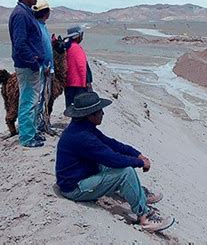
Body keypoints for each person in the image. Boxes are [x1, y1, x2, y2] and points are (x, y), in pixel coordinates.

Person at [56, 92, 175, 232]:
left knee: (111, 163)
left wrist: (138, 154)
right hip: (75, 188)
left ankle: (139, 195)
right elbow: (113, 159)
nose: (103, 114)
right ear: (90, 115)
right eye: (100, 111)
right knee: (125, 172)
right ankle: (144, 216)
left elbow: (111, 144)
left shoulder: (82, 128)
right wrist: (140, 163)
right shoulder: (82, 137)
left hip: (82, 175)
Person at [8, 0, 45, 147]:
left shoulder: (26, 12)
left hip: (30, 65)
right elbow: (20, 44)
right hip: (27, 66)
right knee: (28, 102)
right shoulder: (20, 15)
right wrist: (33, 61)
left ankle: (31, 133)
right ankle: (27, 138)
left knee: (32, 101)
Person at [32, 0, 56, 135]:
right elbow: (37, 49)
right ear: (45, 13)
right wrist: (42, 65)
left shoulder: (42, 26)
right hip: (42, 69)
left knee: (43, 97)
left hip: (46, 68)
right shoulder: (36, 28)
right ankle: (35, 127)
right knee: (38, 98)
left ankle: (41, 124)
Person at [64, 25, 93, 108]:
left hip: (69, 82)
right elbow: (82, 66)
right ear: (77, 36)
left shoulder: (68, 46)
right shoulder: (75, 48)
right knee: (80, 107)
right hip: (79, 83)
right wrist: (87, 82)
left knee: (70, 105)